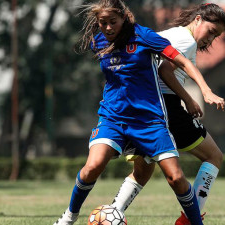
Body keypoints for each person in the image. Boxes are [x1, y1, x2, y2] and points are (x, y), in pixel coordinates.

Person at [53, 0, 214, 224]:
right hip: (113, 117)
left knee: (176, 178)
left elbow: (182, 61)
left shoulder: (143, 36)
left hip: (149, 121)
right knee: (92, 167)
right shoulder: (98, 41)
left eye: (112, 22)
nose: (108, 28)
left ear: (124, 19)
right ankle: (69, 218)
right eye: (103, 23)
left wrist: (204, 90)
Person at [110, 3, 225, 225]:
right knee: (214, 156)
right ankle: (189, 219)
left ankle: (111, 214)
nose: (210, 40)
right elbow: (165, 70)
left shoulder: (169, 34)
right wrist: (189, 98)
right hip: (166, 106)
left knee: (143, 170)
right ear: (198, 20)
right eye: (211, 32)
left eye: (216, 37)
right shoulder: (186, 39)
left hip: (141, 106)